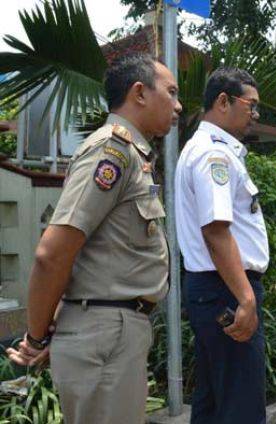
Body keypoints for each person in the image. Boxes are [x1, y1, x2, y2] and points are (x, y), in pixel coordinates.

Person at [6, 53, 181, 424]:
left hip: (112, 329)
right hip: (105, 332)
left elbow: (85, 254)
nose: (178, 105)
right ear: (139, 93)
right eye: (171, 92)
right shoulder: (112, 151)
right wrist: (36, 337)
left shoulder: (132, 154)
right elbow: (52, 254)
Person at [174, 67, 268, 423]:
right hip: (226, 287)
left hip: (215, 286)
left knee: (214, 401)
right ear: (223, 101)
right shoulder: (214, 155)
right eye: (252, 106)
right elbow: (216, 231)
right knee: (241, 406)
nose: (255, 116)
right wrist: (245, 297)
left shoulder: (207, 150)